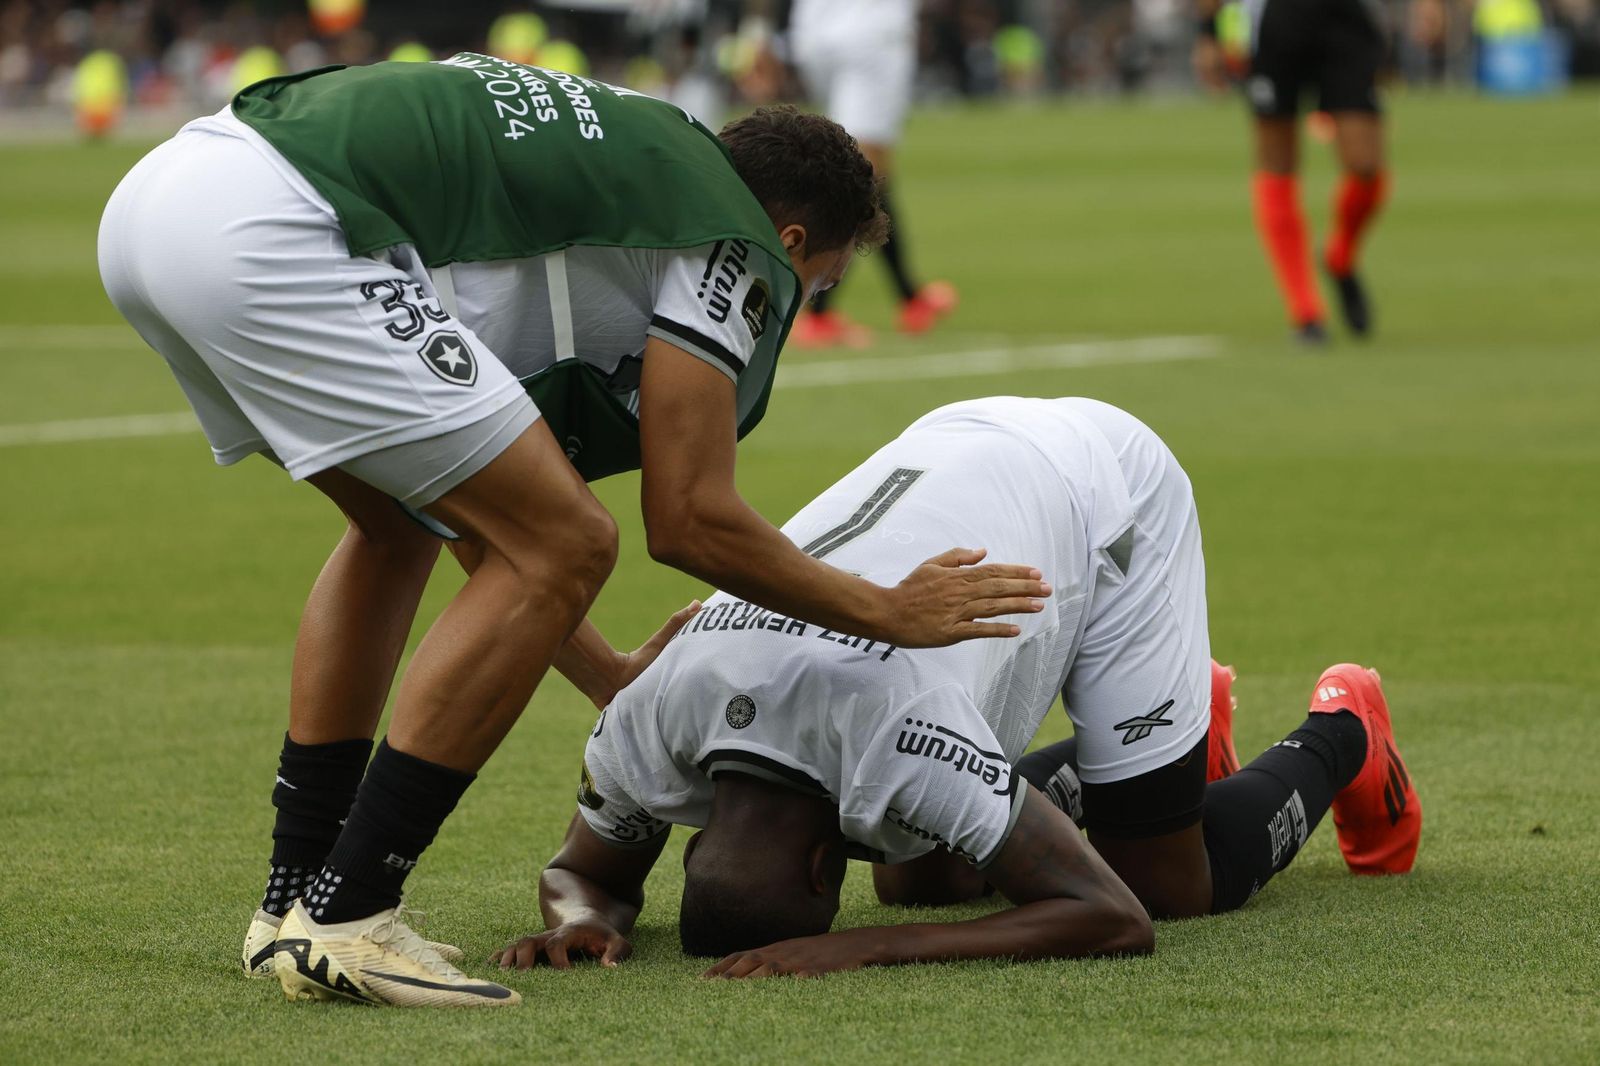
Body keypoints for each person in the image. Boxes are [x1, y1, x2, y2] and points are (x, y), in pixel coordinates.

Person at [97, 55, 1051, 1008]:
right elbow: (688, 520)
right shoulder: (732, 236)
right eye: (822, 282)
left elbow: (481, 515)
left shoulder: (643, 162)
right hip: (274, 224)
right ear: (789, 236)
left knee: (397, 525)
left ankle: (292, 904)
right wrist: (883, 609)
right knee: (573, 541)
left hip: (164, 198)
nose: (799, 304)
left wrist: (608, 676)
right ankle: (352, 912)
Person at [494, 396, 1422, 976]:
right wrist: (583, 921)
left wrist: (858, 947)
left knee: (1167, 879)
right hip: (957, 448)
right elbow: (584, 872)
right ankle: (1172, 743)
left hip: (1107, 486)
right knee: (925, 879)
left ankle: (1344, 735)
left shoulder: (901, 733)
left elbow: (1113, 917)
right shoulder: (650, 713)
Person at [1197, 0, 1391, 343]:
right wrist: (1209, 32)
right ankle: (1306, 313)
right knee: (1277, 160)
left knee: (1365, 164)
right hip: (1274, 22)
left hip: (1343, 19)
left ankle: (1340, 257)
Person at [778, 0, 959, 347]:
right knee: (865, 173)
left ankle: (909, 296)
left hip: (815, 29)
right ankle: (818, 310)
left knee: (867, 169)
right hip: (870, 31)